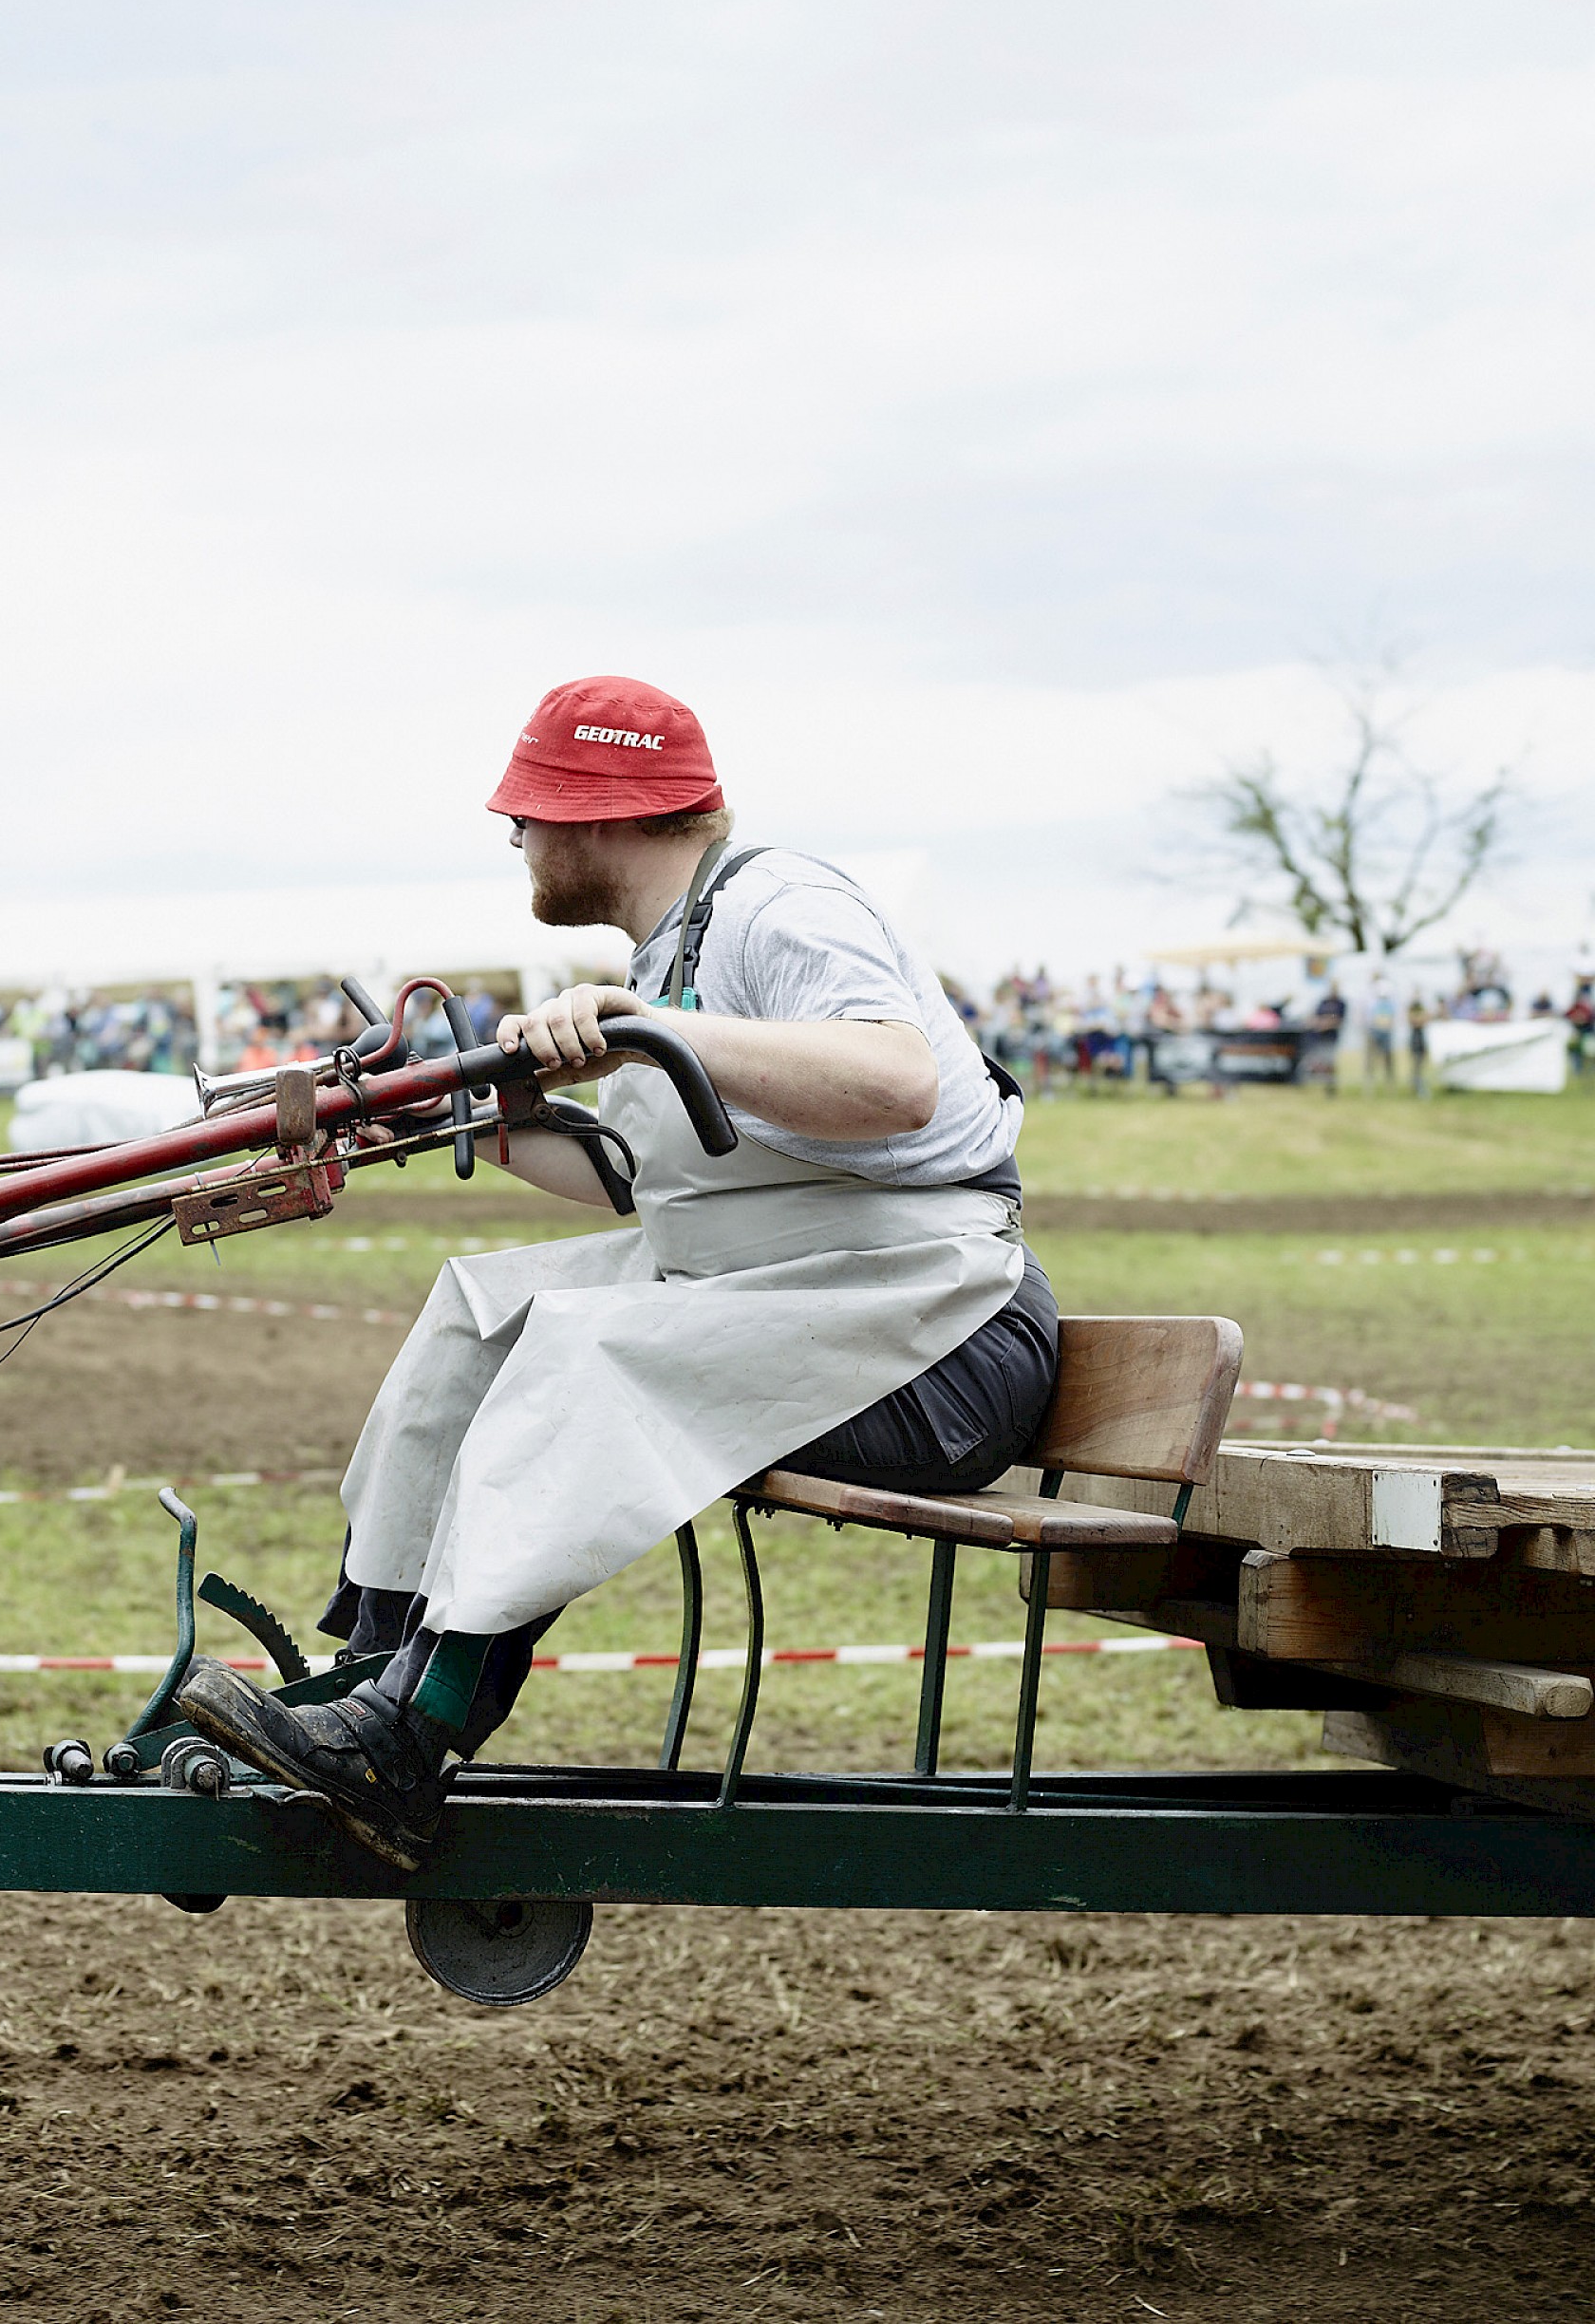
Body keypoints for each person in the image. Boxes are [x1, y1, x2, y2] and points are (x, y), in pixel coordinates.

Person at [177, 675, 1058, 1868]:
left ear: (601, 813)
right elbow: (650, 1186)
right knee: (487, 1308)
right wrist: (453, 1121)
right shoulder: (673, 949)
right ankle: (373, 1675)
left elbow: (895, 1082)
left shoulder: (777, 904)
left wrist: (652, 1028)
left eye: (529, 811)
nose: (514, 833)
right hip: (826, 1299)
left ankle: (406, 1743)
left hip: (946, 1339)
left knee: (585, 1349)